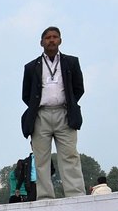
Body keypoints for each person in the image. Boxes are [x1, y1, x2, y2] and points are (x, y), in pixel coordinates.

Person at [21, 26, 86, 199]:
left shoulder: (71, 62)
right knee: (41, 159)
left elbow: (78, 88)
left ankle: (76, 195)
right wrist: (38, 107)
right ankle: (45, 197)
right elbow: (26, 95)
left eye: (55, 37)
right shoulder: (31, 67)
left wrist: (69, 104)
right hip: (40, 115)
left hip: (64, 114)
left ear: (60, 40)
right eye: (48, 37)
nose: (51, 40)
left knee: (70, 155)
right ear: (41, 42)